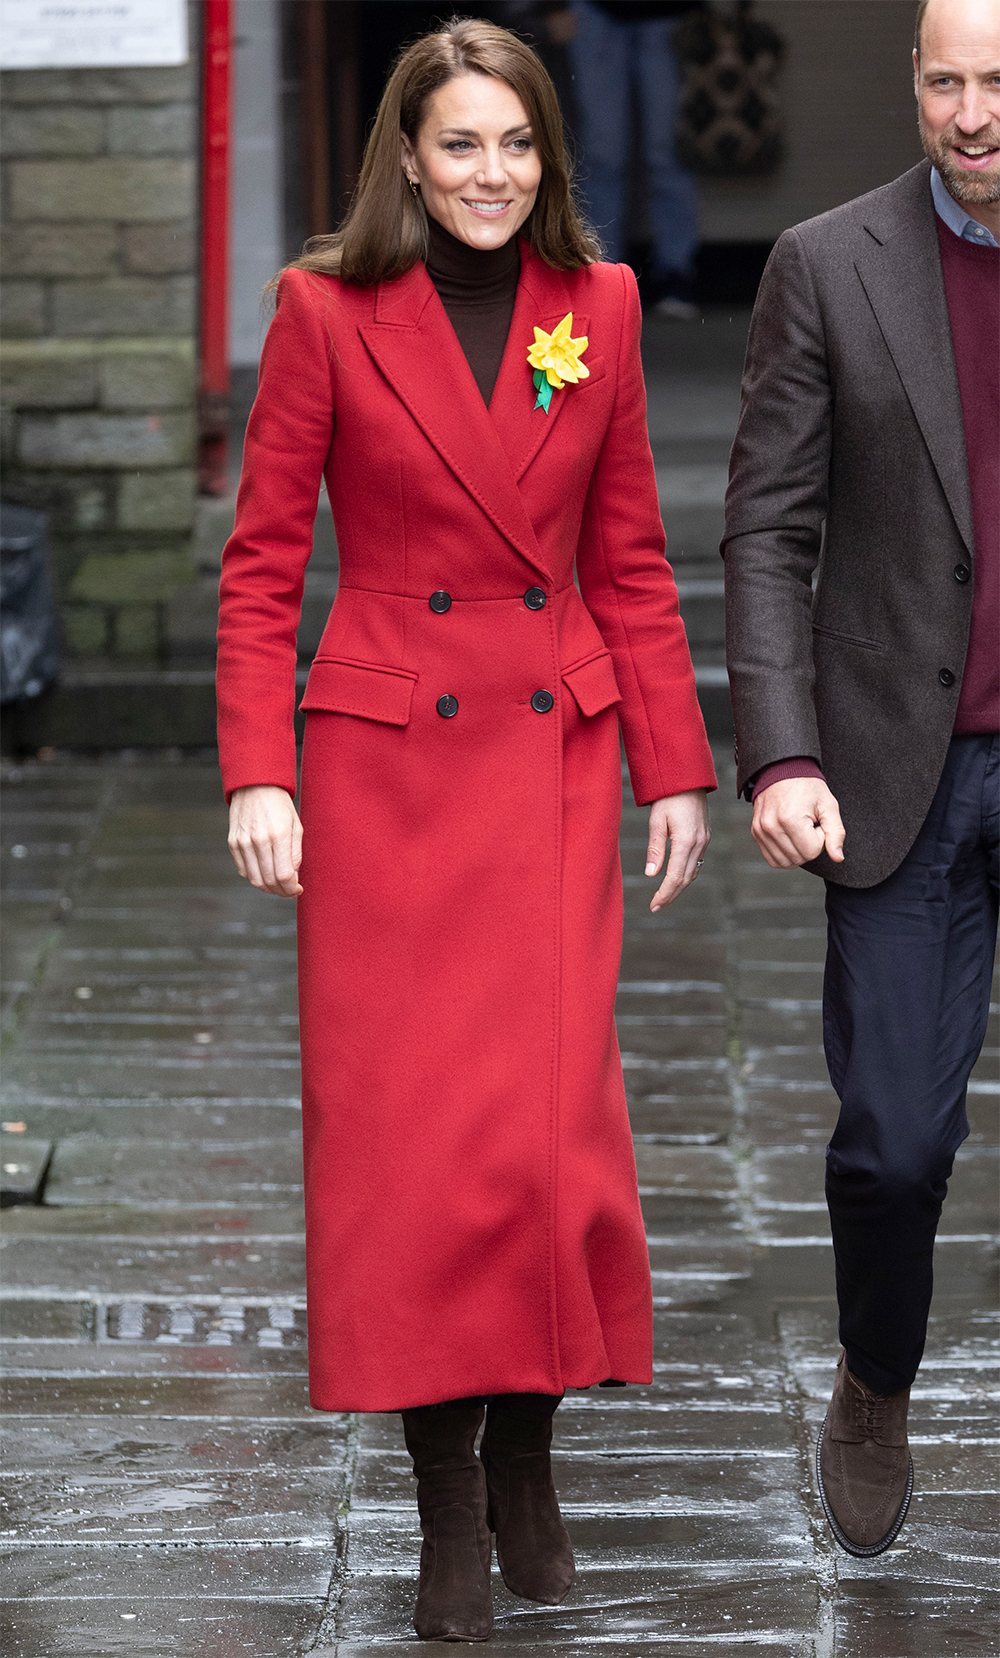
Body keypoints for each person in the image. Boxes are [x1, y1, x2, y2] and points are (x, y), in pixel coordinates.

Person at [217, 18, 715, 1642]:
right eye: (460, 145)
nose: (490, 174)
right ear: (408, 161)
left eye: (516, 144)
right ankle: (445, 1493)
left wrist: (676, 764)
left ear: (545, 158)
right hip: (384, 775)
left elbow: (632, 558)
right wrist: (257, 770)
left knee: (545, 1141)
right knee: (418, 1155)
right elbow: (259, 564)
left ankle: (530, 1462)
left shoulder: (605, 309)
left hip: (552, 763)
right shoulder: (324, 310)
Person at [723, 0, 998, 1560]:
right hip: (899, 764)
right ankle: (875, 1377)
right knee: (894, 1137)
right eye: (945, 81)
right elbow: (768, 529)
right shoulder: (829, 263)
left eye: (998, 84)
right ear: (912, 81)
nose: (971, 114)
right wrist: (783, 747)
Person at [568, 1, 704, 318]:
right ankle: (601, 275)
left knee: (670, 152)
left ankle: (677, 273)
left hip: (669, 17)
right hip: (594, 13)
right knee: (602, 154)